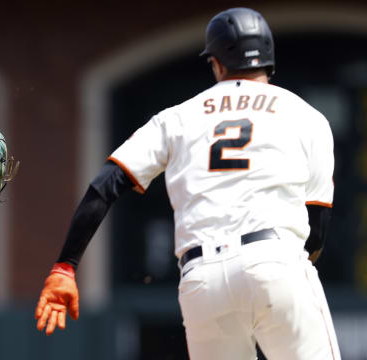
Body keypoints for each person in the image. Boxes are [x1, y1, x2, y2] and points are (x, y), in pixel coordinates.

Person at [35, 7, 341, 360]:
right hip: (275, 259)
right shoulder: (306, 114)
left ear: (216, 63)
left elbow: (106, 184)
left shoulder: (178, 116)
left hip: (203, 278)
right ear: (268, 61)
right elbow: (316, 228)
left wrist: (66, 265)